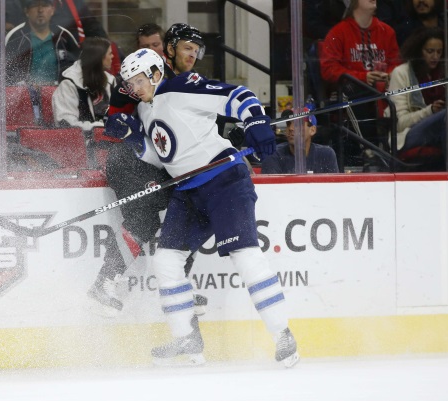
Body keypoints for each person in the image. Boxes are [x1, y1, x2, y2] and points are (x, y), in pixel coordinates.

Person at [114, 48, 299, 367]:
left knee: (246, 257)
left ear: (157, 73)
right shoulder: (145, 111)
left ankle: (283, 335)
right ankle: (187, 337)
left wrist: (255, 120)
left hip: (224, 180)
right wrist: (134, 143)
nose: (135, 89)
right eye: (130, 84)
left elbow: (238, 94)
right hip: (188, 191)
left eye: (139, 81)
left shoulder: (181, 87)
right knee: (166, 260)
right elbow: (163, 154)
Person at [86, 24, 207, 318]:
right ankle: (104, 283)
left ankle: (178, 287)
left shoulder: (187, 83)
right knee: (142, 218)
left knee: (188, 212)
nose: (193, 55)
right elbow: (116, 119)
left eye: (197, 50)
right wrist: (124, 126)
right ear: (169, 49)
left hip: (160, 164)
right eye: (187, 48)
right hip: (132, 161)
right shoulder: (146, 74)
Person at [384, 27, 448, 160]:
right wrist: (430, 111)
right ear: (418, 51)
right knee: (446, 115)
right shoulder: (401, 73)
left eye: (439, 52)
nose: (435, 57)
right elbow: (400, 123)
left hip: (441, 129)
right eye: (430, 51)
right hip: (408, 134)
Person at [320, 0, 400, 91]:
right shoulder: (337, 33)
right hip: (353, 98)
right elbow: (328, 69)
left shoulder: (387, 32)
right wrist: (362, 77)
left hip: (385, 98)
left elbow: (396, 64)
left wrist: (390, 75)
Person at [5, 0, 80, 86]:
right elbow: (6, 72)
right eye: (35, 5)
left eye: (45, 5)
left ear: (52, 10)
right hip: (25, 94)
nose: (40, 10)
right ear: (26, 11)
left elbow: (76, 68)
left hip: (59, 93)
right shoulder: (16, 36)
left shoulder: (64, 35)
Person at [51, 36, 115, 130]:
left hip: (110, 140)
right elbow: (65, 123)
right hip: (81, 142)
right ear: (99, 58)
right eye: (110, 53)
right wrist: (98, 128)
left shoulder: (111, 81)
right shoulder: (69, 83)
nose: (112, 56)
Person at [262, 109, 339, 174]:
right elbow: (272, 190)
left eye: (297, 124)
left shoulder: (326, 155)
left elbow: (333, 188)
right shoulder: (273, 155)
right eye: (288, 123)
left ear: (312, 130)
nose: (291, 128)